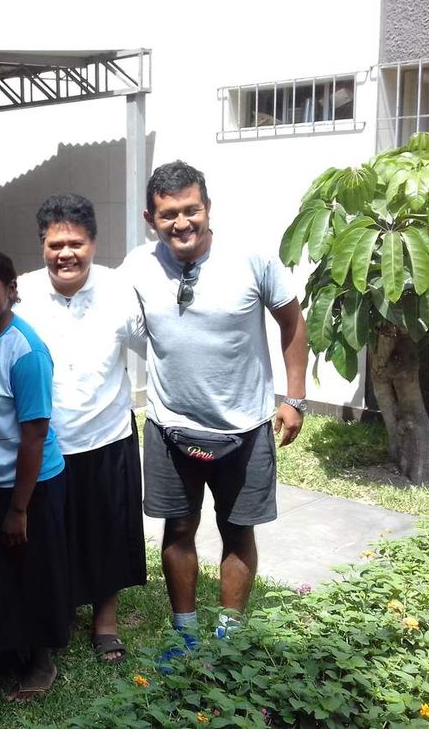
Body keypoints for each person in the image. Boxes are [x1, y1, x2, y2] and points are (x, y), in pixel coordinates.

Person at [120, 160, 308, 662]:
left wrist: (294, 397)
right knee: (177, 529)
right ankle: (184, 635)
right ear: (149, 217)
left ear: (207, 207)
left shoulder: (252, 258)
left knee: (236, 529)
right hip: (168, 426)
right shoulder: (136, 266)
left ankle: (229, 638)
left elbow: (292, 321)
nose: (182, 223)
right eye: (168, 215)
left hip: (244, 426)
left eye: (191, 210)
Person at [15, 194, 146, 665]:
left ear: (93, 242)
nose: (65, 254)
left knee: (107, 531)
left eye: (75, 243)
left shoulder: (119, 289)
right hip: (43, 443)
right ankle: (59, 612)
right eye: (55, 244)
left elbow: (154, 344)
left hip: (107, 434)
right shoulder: (21, 293)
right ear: (42, 246)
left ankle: (105, 622)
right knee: (51, 534)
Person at [0, 250, 70, 703]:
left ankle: (40, 661)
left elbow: (34, 436)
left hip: (32, 483)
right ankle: (6, 650)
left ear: (11, 290)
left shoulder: (26, 351)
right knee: (1, 569)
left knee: (35, 570)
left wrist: (19, 509)